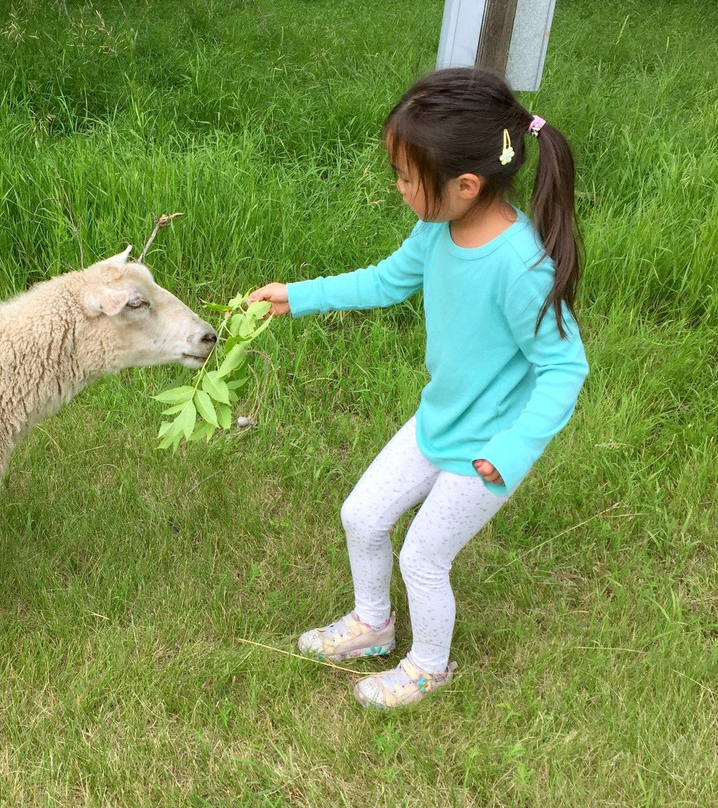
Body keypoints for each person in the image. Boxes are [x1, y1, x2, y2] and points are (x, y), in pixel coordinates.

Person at [250, 68, 589, 709]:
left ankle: (430, 665)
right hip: (439, 421)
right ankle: (374, 626)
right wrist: (297, 296)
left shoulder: (520, 268)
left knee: (423, 557)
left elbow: (565, 368)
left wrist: (513, 453)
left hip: (487, 450)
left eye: (408, 178)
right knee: (362, 516)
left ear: (466, 184)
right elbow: (387, 280)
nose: (400, 188)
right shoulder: (440, 225)